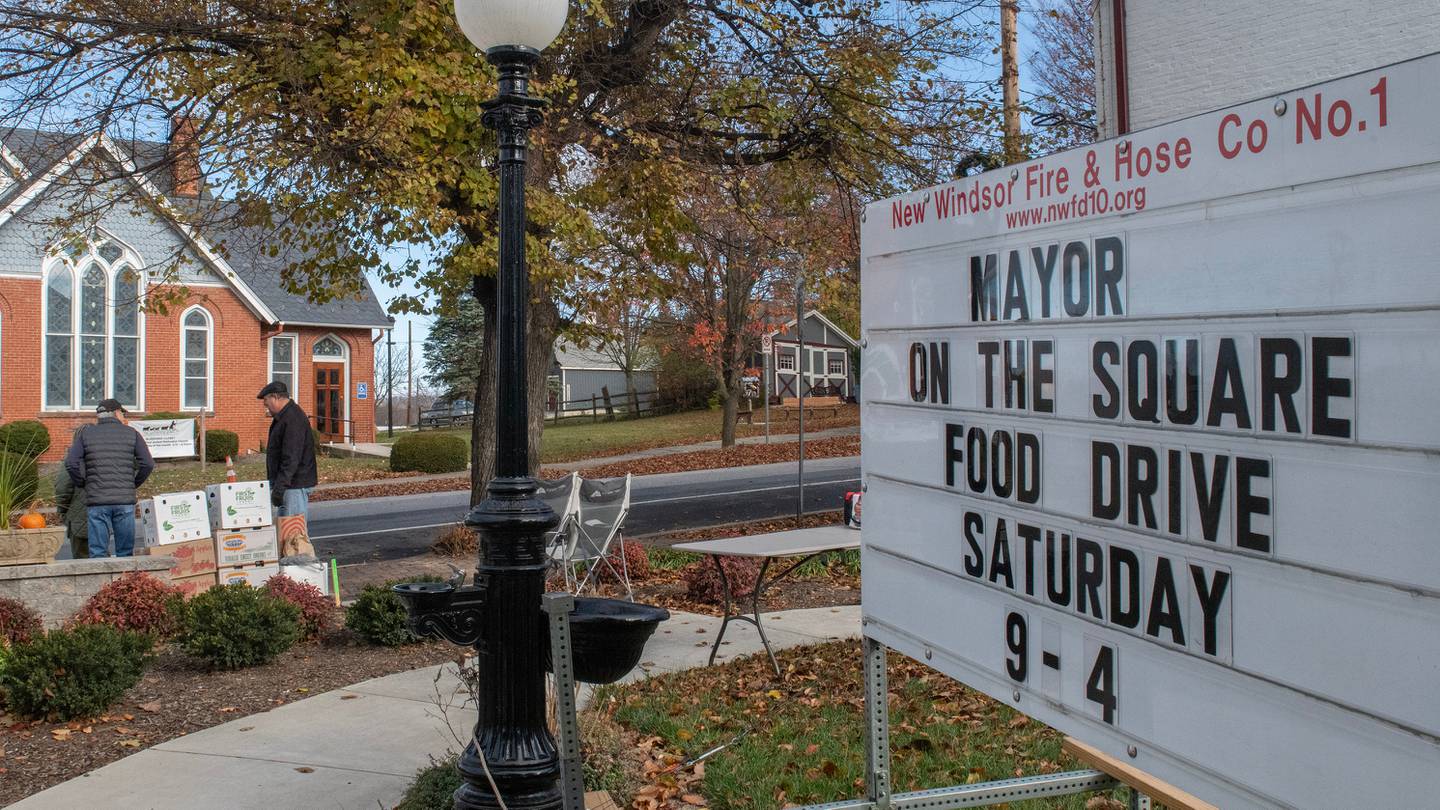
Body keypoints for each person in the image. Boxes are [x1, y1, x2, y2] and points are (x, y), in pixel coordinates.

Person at [64, 399, 155, 558]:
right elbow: (147, 464)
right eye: (123, 413)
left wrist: (83, 483)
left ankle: (100, 583)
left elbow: (71, 463)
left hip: (97, 501)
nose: (123, 416)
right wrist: (133, 484)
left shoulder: (86, 435)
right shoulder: (132, 433)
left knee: (97, 553)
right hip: (124, 502)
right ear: (117, 412)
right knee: (125, 553)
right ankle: (124, 582)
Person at [258, 380, 317, 520]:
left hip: (294, 486)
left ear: (276, 397)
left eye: (267, 402)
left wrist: (280, 488)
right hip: (289, 485)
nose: (266, 407)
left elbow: (291, 457)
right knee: (287, 534)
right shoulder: (284, 417)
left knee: (294, 535)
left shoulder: (292, 418)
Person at [53, 466, 89, 559]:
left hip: (79, 515)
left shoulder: (73, 457)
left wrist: (62, 510)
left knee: (83, 558)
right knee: (102, 555)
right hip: (103, 513)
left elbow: (62, 489)